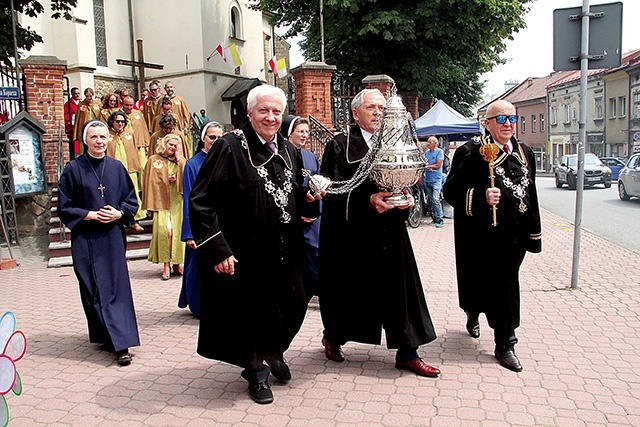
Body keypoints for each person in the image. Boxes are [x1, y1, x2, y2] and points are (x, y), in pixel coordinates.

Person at [189, 84, 317, 404]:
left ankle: (274, 351)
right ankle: (256, 371)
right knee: (251, 313)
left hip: (287, 249)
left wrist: (311, 200)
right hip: (247, 251)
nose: (271, 117)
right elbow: (201, 200)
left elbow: (294, 197)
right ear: (249, 113)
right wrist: (217, 248)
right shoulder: (230, 147)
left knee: (295, 301)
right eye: (264, 110)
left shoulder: (289, 150)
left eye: (276, 111)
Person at [317, 88, 440, 378]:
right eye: (371, 107)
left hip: (391, 232)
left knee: (402, 291)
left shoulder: (396, 140)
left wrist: (407, 195)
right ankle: (333, 337)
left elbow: (404, 177)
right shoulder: (340, 145)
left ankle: (408, 352)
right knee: (349, 293)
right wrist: (368, 200)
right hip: (354, 235)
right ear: (355, 113)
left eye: (382, 108)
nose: (378, 113)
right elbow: (331, 190)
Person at [442, 99, 542, 372]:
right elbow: (449, 192)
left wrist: (534, 233)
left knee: (506, 284)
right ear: (488, 123)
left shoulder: (524, 152)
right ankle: (503, 341)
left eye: (512, 118)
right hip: (482, 235)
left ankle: (501, 333)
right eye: (501, 119)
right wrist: (480, 196)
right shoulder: (471, 152)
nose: (508, 124)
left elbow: (530, 194)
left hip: (515, 235)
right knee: (490, 283)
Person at [56, 120, 140, 366]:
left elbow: (130, 200)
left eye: (103, 136)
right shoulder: (73, 169)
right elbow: (64, 205)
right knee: (91, 288)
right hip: (85, 237)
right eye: (94, 137)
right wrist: (89, 215)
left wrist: (120, 214)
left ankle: (121, 344)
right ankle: (106, 333)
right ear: (86, 140)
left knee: (114, 288)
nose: (99, 141)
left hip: (112, 237)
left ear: (108, 139)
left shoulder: (116, 167)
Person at [178, 120, 224, 317]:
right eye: (212, 137)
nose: (215, 141)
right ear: (203, 139)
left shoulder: (226, 160)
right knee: (197, 268)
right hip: (199, 225)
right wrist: (190, 233)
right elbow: (188, 199)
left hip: (220, 223)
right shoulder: (192, 164)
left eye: (219, 138)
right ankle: (198, 305)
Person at [281, 115, 321, 297]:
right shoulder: (282, 155)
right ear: (290, 133)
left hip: (313, 214)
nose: (305, 135)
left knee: (316, 250)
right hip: (293, 215)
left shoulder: (310, 156)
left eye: (307, 132)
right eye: (300, 131)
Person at [142, 133, 186, 280]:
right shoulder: (153, 160)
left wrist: (179, 158)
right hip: (160, 201)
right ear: (164, 144)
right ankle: (166, 264)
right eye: (170, 145)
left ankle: (177, 263)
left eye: (175, 145)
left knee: (176, 233)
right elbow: (150, 182)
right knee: (165, 232)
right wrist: (165, 180)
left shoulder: (180, 161)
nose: (172, 148)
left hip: (176, 202)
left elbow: (186, 178)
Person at [105, 110, 146, 231]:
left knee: (131, 195)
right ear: (112, 122)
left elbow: (134, 150)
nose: (120, 124)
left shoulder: (129, 133)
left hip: (130, 169)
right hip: (113, 171)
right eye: (118, 121)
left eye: (123, 121)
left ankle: (133, 220)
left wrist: (136, 166)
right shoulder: (107, 135)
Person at [422, 135, 445, 228]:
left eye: (430, 142)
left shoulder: (439, 152)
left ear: (435, 144)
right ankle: (434, 218)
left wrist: (427, 166)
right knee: (431, 200)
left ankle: (440, 219)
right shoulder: (426, 153)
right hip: (428, 179)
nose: (428, 144)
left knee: (435, 199)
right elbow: (424, 162)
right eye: (428, 142)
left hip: (436, 180)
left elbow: (438, 165)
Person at [72, 88, 102, 155]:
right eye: (87, 96)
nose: (89, 98)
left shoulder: (98, 104)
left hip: (95, 126)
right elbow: (78, 118)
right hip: (84, 127)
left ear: (93, 95)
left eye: (90, 96)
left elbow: (101, 116)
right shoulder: (81, 105)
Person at [64, 87, 81, 158]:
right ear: (72, 94)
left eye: (78, 93)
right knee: (75, 141)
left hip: (81, 125)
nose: (77, 95)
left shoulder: (81, 103)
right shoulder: (68, 104)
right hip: (73, 126)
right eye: (75, 93)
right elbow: (65, 115)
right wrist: (72, 116)